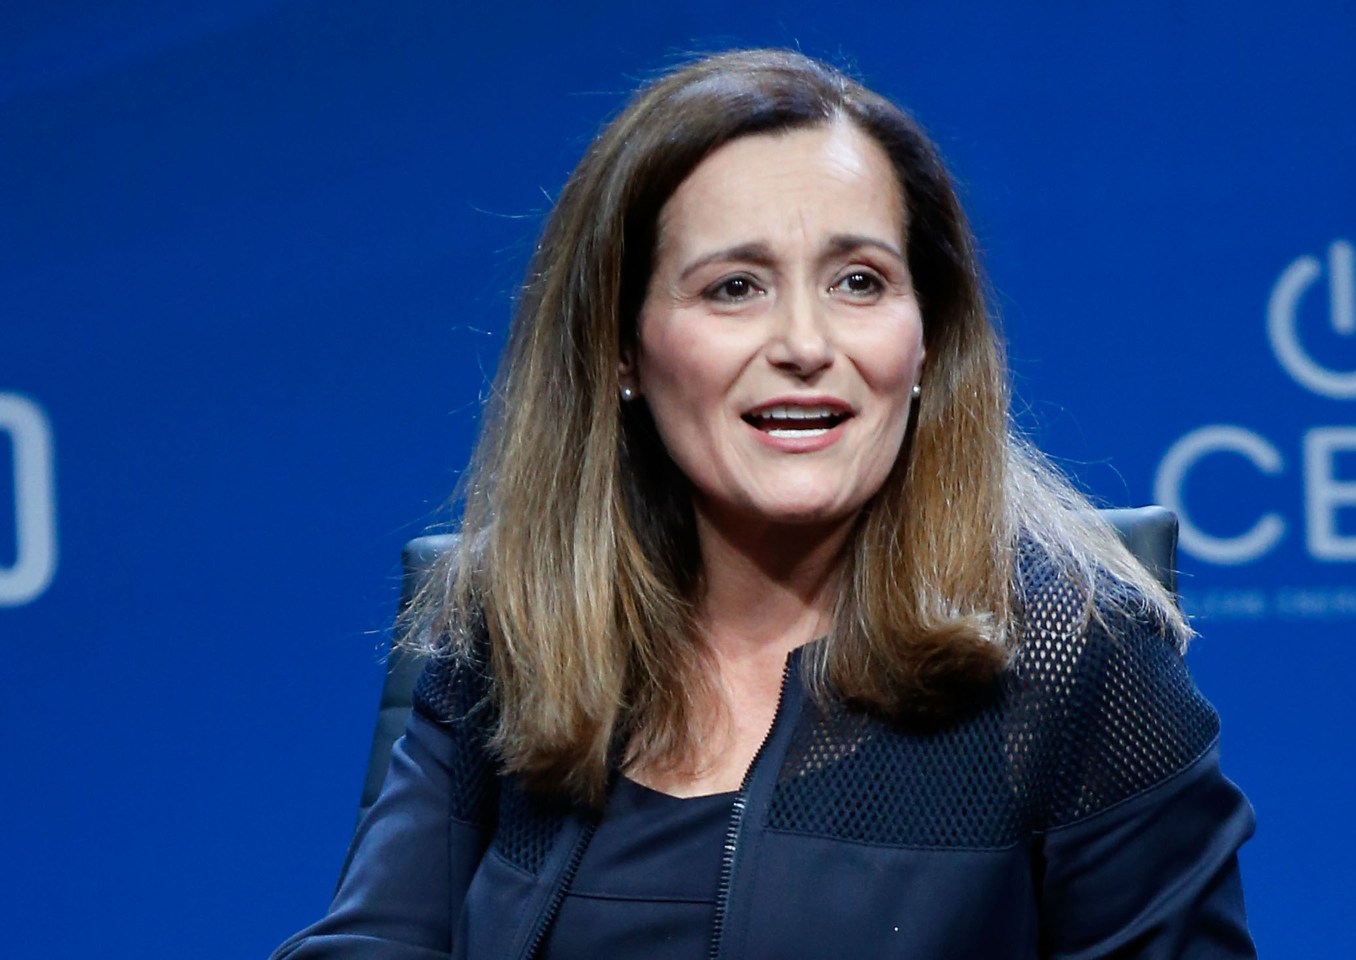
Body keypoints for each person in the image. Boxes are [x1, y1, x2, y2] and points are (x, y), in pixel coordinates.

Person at [275, 48, 1256, 959]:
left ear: (927, 339)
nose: (804, 344)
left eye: (859, 281)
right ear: (622, 349)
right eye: (735, 287)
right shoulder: (515, 631)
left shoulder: (1066, 656)